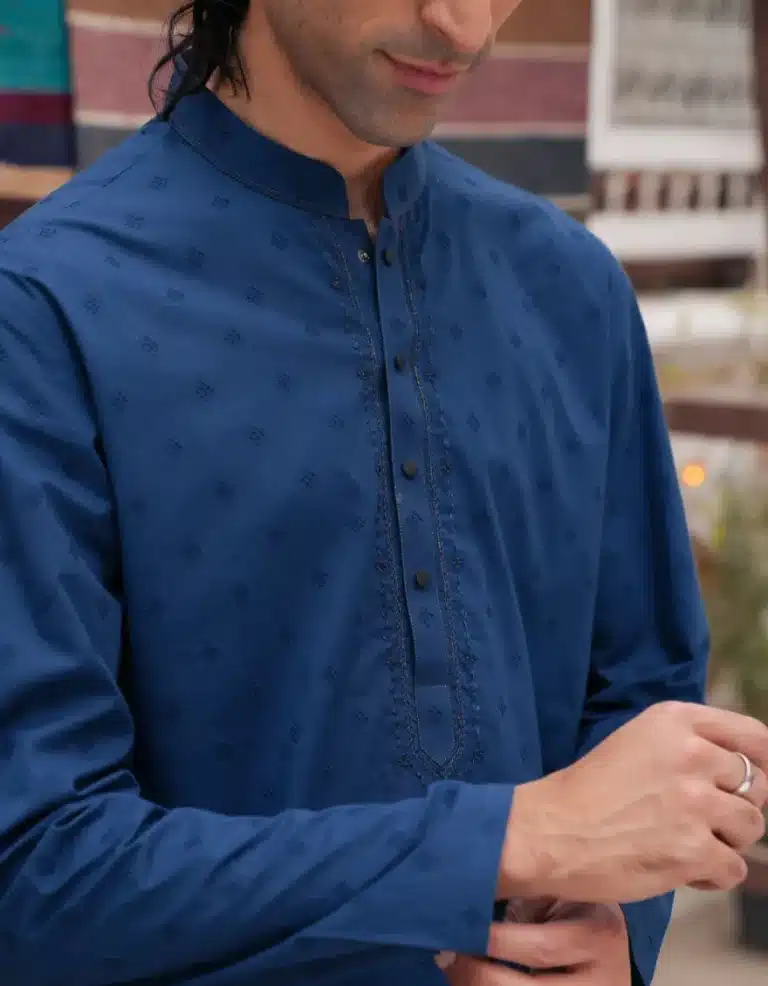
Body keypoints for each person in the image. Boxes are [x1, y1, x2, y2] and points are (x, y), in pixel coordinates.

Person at [0, 1, 766, 984]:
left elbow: (644, 692)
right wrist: (504, 841)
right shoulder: (44, 311)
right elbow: (36, 868)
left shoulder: (573, 289)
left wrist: (611, 929)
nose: (463, 25)